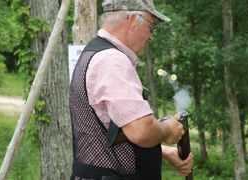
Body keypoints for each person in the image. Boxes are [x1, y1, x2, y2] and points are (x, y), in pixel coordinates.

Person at [69, 0, 193, 180]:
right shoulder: (112, 61)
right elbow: (141, 131)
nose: (151, 36)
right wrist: (167, 129)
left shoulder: (94, 54)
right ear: (134, 19)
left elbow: (110, 133)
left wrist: (162, 151)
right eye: (152, 26)